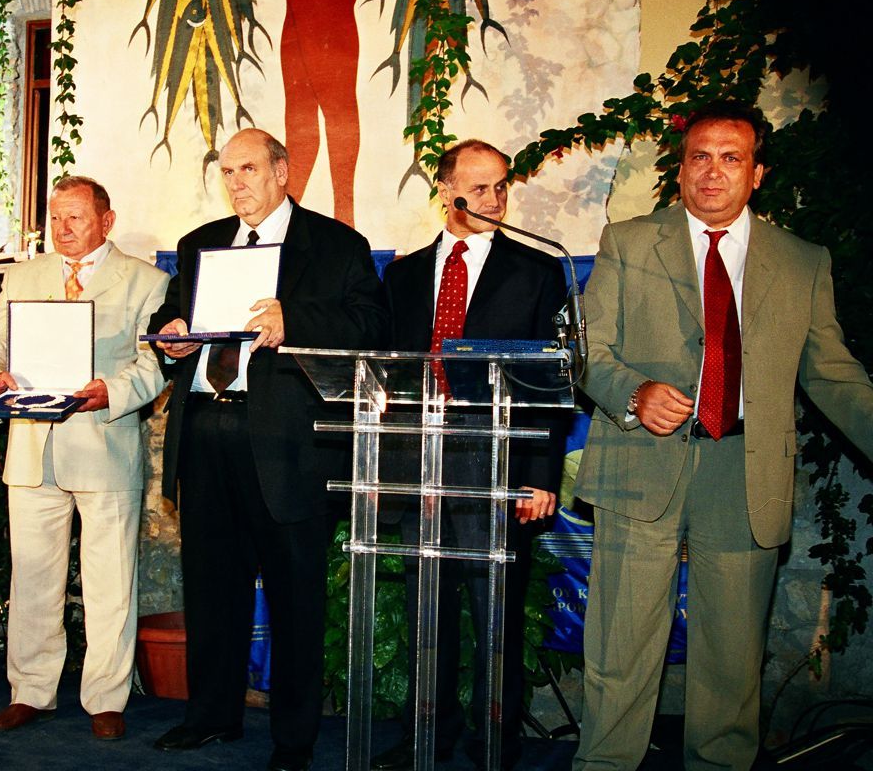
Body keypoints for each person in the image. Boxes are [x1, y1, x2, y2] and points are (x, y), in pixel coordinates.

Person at [574, 100, 873, 770]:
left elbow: (833, 375)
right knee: (619, 652)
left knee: (732, 670)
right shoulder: (628, 241)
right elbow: (588, 352)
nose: (713, 172)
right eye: (699, 158)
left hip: (745, 474)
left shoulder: (802, 262)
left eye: (731, 158)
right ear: (680, 170)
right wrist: (633, 393)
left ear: (757, 173)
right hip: (640, 463)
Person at [149, 128, 388, 771]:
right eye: (227, 172)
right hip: (206, 433)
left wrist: (295, 321)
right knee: (211, 590)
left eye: (249, 169)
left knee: (294, 598)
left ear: (282, 171)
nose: (237, 183)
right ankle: (211, 716)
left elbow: (372, 326)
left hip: (288, 447)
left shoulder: (336, 244)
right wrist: (171, 334)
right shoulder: (200, 244)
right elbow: (171, 317)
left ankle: (293, 738)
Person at [371, 139, 566, 771]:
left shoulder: (536, 272)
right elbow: (383, 375)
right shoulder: (402, 276)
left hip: (496, 461)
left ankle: (493, 747)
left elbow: (548, 381)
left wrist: (539, 475)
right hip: (418, 462)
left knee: (494, 617)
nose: (495, 199)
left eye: (502, 186)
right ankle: (426, 737)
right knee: (426, 614)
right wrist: (381, 466)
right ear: (446, 191)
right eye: (479, 188)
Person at [0, 176, 170, 739]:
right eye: (55, 218)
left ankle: (106, 698)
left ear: (107, 221)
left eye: (76, 217)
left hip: (104, 444)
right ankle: (30, 692)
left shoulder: (147, 282)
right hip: (32, 449)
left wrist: (112, 391)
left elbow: (155, 362)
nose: (63, 228)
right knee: (33, 578)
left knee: (111, 581)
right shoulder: (23, 276)